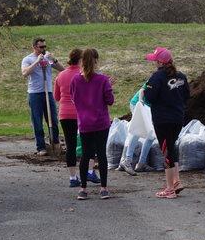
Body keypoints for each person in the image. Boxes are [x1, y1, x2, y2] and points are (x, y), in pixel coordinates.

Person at [144, 47, 190, 199]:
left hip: (162, 120)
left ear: (159, 62)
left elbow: (149, 98)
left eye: (154, 61)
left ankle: (170, 189)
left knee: (166, 152)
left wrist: (144, 92)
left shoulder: (156, 77)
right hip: (178, 118)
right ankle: (176, 182)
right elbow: (186, 96)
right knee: (171, 147)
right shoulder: (181, 76)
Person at [69, 49, 114, 200]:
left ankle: (83, 189)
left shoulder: (75, 80)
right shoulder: (102, 80)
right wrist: (110, 86)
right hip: (101, 122)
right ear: (95, 61)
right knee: (101, 154)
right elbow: (110, 100)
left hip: (84, 122)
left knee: (85, 155)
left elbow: (74, 98)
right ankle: (103, 188)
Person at [54, 48, 96, 187]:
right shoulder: (83, 74)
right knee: (89, 143)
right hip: (81, 113)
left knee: (70, 145)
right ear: (81, 60)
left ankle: (73, 177)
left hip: (65, 113)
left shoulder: (61, 75)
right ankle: (89, 171)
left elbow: (56, 97)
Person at [21, 37, 64, 155]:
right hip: (35, 93)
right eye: (41, 47)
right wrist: (37, 62)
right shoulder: (28, 59)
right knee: (37, 121)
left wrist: (53, 59)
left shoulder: (47, 58)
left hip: (48, 92)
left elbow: (62, 69)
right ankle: (41, 147)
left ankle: (55, 143)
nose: (43, 49)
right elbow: (24, 73)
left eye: (45, 46)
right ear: (34, 47)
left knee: (53, 119)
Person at [119, 84, 154, 176]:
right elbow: (142, 90)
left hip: (150, 107)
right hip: (139, 104)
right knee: (138, 130)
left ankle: (141, 163)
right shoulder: (156, 77)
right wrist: (140, 102)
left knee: (151, 135)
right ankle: (127, 160)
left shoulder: (169, 83)